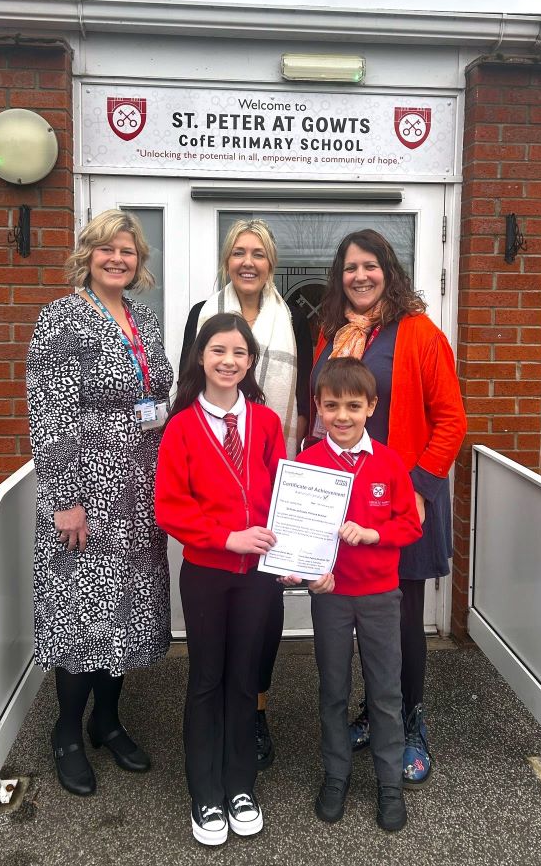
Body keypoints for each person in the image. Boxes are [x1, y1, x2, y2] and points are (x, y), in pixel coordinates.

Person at [311, 229, 467, 786]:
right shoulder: (331, 334)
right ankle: (371, 713)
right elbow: (322, 411)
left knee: (399, 620)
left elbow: (451, 420)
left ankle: (408, 721)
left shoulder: (420, 332)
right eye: (350, 266)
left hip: (404, 500)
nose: (360, 276)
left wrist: (421, 490)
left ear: (388, 270)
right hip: (342, 499)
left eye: (370, 265)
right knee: (354, 613)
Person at [26, 209, 173, 797]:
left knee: (127, 609)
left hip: (140, 486)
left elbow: (158, 396)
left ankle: (107, 720)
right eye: (107, 249)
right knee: (82, 609)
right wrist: (65, 498)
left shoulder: (143, 319)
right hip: (87, 488)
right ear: (87, 255)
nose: (118, 259)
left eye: (129, 252)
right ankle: (66, 731)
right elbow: (50, 410)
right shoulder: (61, 319)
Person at [180, 218, 313, 769]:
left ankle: (255, 709)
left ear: (272, 262)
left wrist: (300, 481)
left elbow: (304, 406)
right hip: (217, 481)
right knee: (217, 615)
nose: (248, 262)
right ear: (226, 260)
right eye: (239, 252)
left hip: (271, 477)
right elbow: (190, 384)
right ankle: (215, 714)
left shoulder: (294, 321)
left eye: (258, 252)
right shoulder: (201, 315)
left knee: (265, 617)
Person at [155, 313, 286, 846]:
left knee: (243, 680)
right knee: (207, 680)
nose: (228, 361)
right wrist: (224, 537)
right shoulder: (182, 426)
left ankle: (239, 786)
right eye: (218, 351)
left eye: (239, 352)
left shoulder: (267, 422)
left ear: (251, 361)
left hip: (258, 578)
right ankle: (204, 792)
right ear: (201, 358)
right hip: (208, 573)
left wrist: (297, 545)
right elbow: (169, 507)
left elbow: (285, 493)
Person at [288, 357, 422, 831]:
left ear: (371, 407)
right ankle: (336, 774)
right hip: (332, 596)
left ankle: (389, 782)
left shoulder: (389, 462)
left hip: (380, 595)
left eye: (352, 406)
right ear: (318, 410)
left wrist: (374, 534)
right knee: (333, 690)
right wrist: (307, 575)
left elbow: (410, 523)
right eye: (331, 407)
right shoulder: (306, 466)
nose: (341, 416)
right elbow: (296, 537)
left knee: (385, 692)